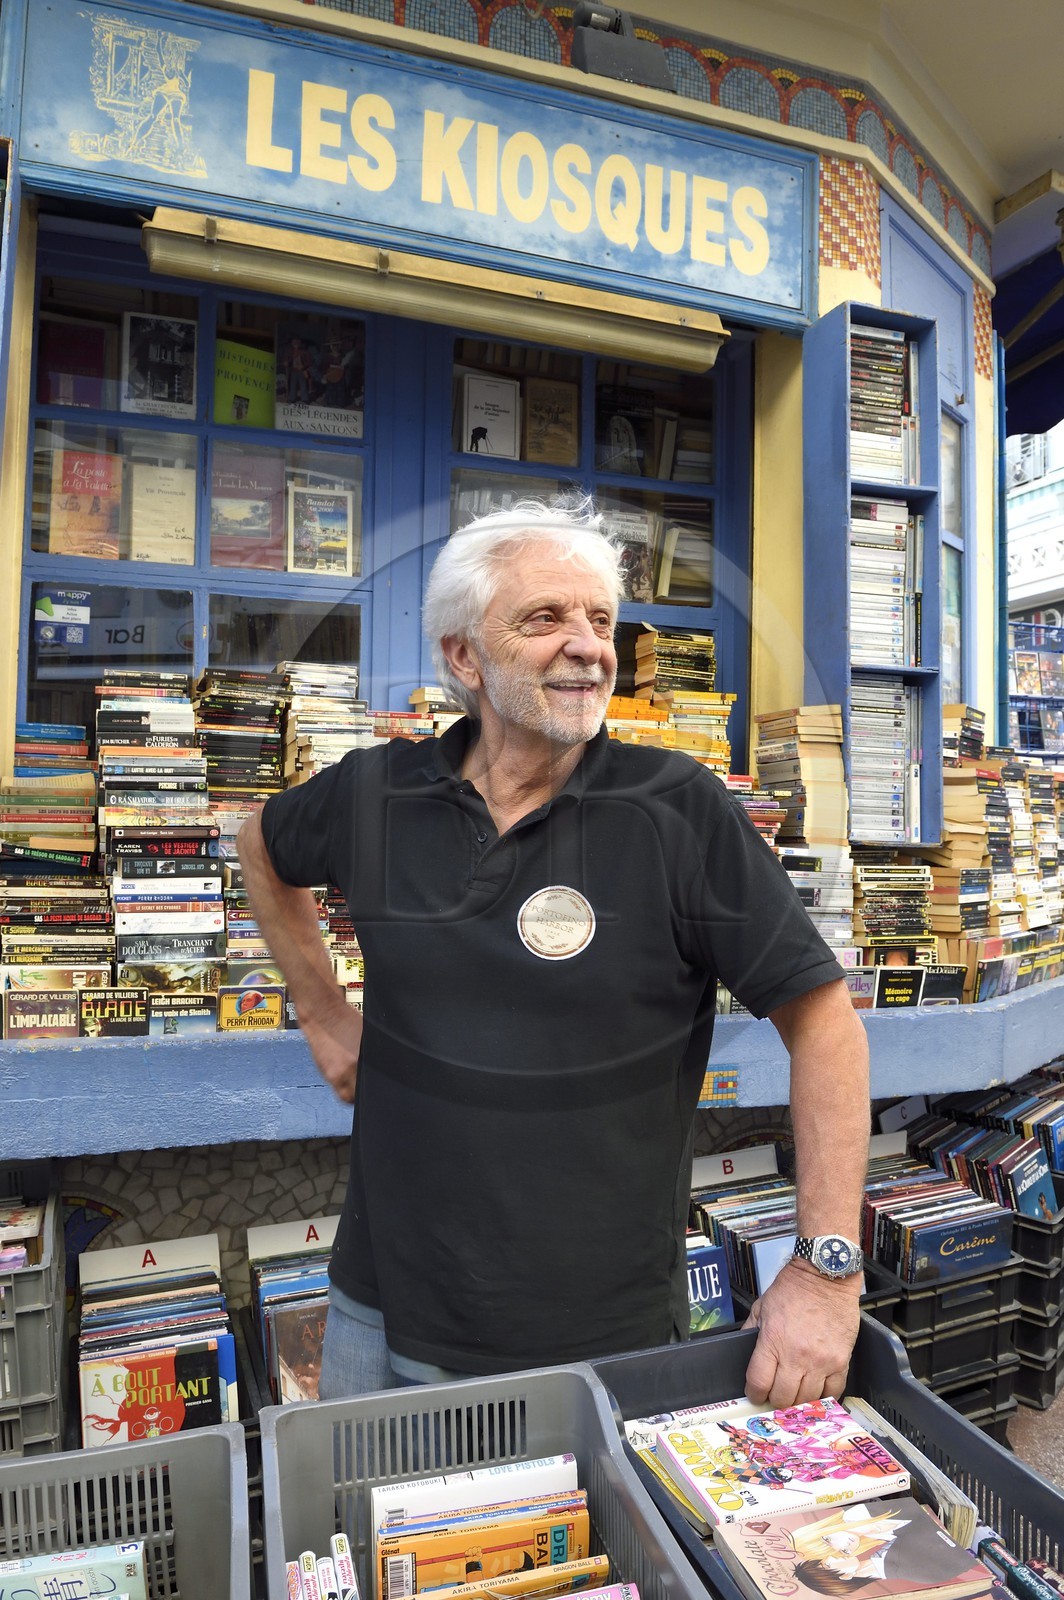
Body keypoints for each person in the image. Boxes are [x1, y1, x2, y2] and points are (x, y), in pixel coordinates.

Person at [237, 500, 870, 1404]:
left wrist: (825, 1272)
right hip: (380, 1318)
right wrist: (323, 1011)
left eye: (601, 620)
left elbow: (826, 1025)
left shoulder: (677, 809)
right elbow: (258, 844)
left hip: (597, 1344)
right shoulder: (377, 793)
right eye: (546, 619)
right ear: (465, 657)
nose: (588, 646)